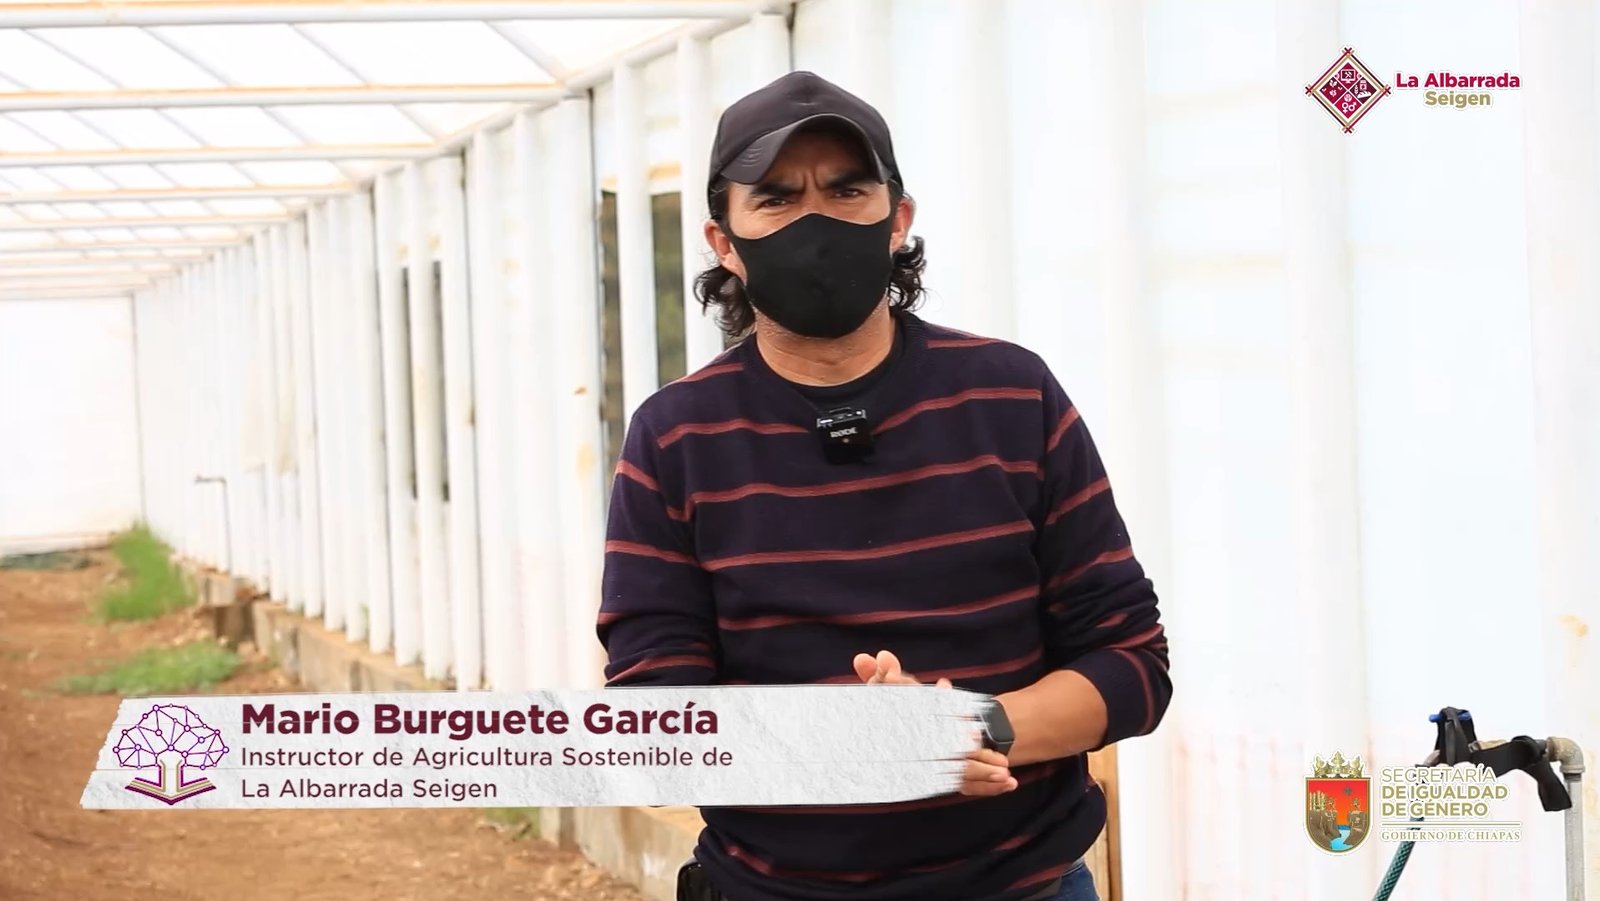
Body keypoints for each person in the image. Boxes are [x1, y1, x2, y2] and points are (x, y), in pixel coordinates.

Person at [597, 70, 1172, 901]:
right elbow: (658, 726)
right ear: (723, 240)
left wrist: (975, 728)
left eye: (847, 190)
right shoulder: (675, 436)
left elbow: (1131, 661)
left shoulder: (1012, 397)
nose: (816, 222)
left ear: (898, 219)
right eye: (776, 199)